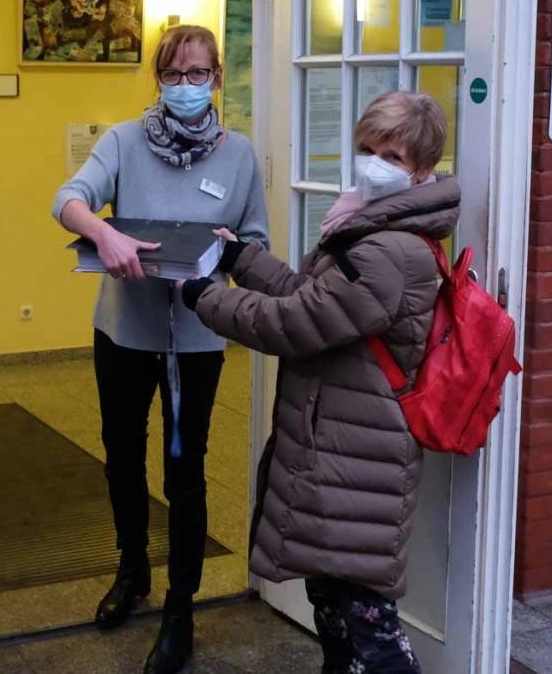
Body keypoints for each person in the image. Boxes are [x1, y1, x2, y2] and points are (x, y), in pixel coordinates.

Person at [180, 91, 459, 673]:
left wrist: (203, 298)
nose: (372, 163)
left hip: (358, 456)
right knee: (333, 606)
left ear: (424, 170)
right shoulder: (364, 227)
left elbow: (294, 323)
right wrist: (241, 263)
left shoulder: (388, 251)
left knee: (369, 624)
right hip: (339, 446)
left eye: (391, 155)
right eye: (366, 148)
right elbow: (312, 298)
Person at [52, 24, 269, 674]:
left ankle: (180, 607)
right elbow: (68, 199)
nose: (184, 87)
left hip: (195, 341)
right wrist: (102, 233)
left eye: (197, 74)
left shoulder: (241, 156)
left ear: (217, 80)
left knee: (185, 468)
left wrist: (226, 249)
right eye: (172, 75)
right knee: (121, 456)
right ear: (158, 80)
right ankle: (132, 568)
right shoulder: (122, 140)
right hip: (124, 330)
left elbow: (254, 244)